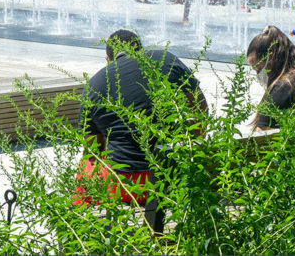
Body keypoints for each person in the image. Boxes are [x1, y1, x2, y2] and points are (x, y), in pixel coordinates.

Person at [75, 30, 207, 206]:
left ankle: (81, 225)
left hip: (124, 186)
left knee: (86, 167)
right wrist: (190, 148)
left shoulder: (94, 85)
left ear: (108, 60)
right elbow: (200, 109)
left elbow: (94, 149)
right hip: (171, 178)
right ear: (140, 50)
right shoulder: (166, 59)